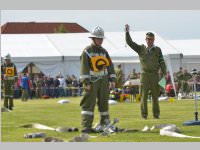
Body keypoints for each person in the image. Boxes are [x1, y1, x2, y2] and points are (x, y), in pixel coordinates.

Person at [125, 24, 166, 119]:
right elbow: (130, 42)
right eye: (148, 39)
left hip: (155, 75)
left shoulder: (158, 50)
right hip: (144, 75)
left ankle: (156, 115)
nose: (149, 40)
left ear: (154, 40)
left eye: (151, 39)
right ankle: (144, 115)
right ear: (145, 40)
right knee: (143, 97)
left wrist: (164, 74)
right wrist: (127, 32)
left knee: (155, 97)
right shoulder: (141, 49)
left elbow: (162, 62)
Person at [80, 26, 116, 133]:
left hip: (104, 81)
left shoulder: (104, 51)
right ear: (93, 38)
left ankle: (105, 124)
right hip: (92, 82)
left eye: (101, 39)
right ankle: (86, 127)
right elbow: (84, 67)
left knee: (104, 103)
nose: (100, 40)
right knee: (89, 104)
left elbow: (110, 66)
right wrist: (86, 82)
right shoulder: (87, 51)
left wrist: (112, 79)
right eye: (98, 38)